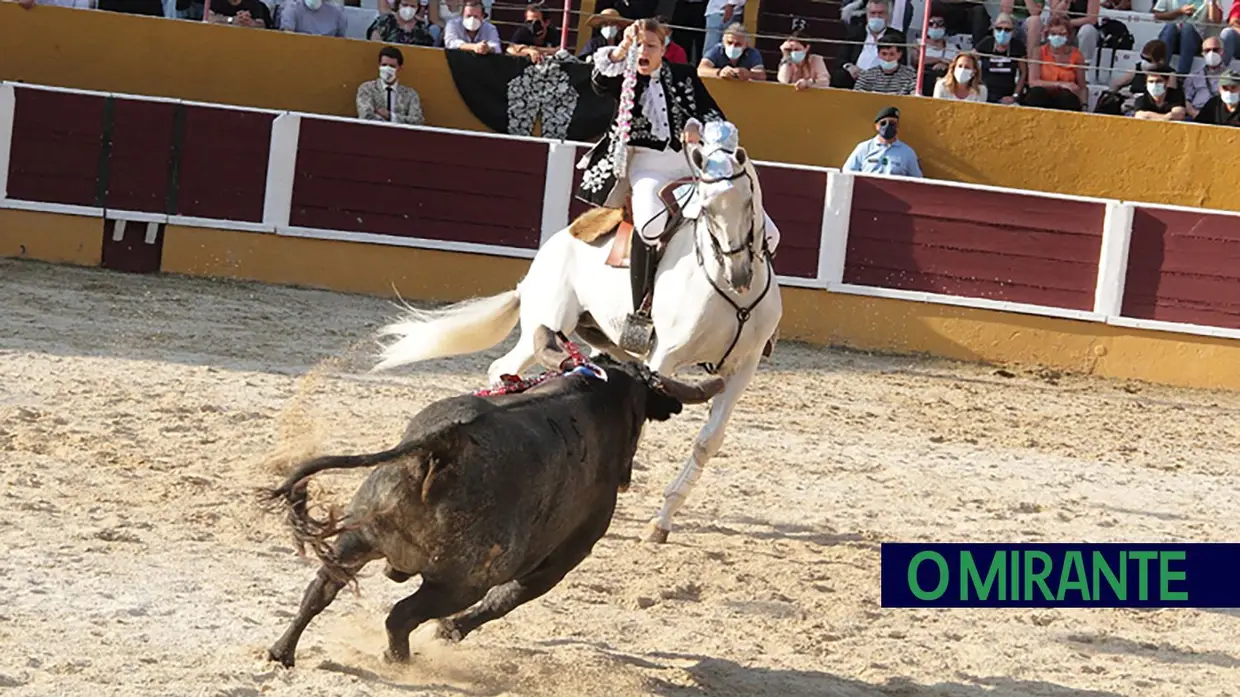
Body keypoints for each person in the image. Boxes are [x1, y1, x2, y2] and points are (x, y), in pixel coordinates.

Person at [578, 18, 781, 351]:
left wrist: (697, 126)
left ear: (664, 49)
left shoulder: (685, 74)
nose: (644, 51)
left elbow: (715, 115)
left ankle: (762, 313)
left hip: (691, 163)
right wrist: (624, 48)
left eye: (651, 46)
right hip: (648, 166)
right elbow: (599, 80)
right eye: (639, 45)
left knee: (769, 233)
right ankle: (642, 311)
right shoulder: (624, 75)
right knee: (651, 227)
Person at [842, 106, 923, 178]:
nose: (887, 126)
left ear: (897, 126)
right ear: (876, 126)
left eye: (892, 123)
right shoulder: (864, 148)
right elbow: (847, 171)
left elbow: (917, 179)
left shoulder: (907, 152)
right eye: (883, 123)